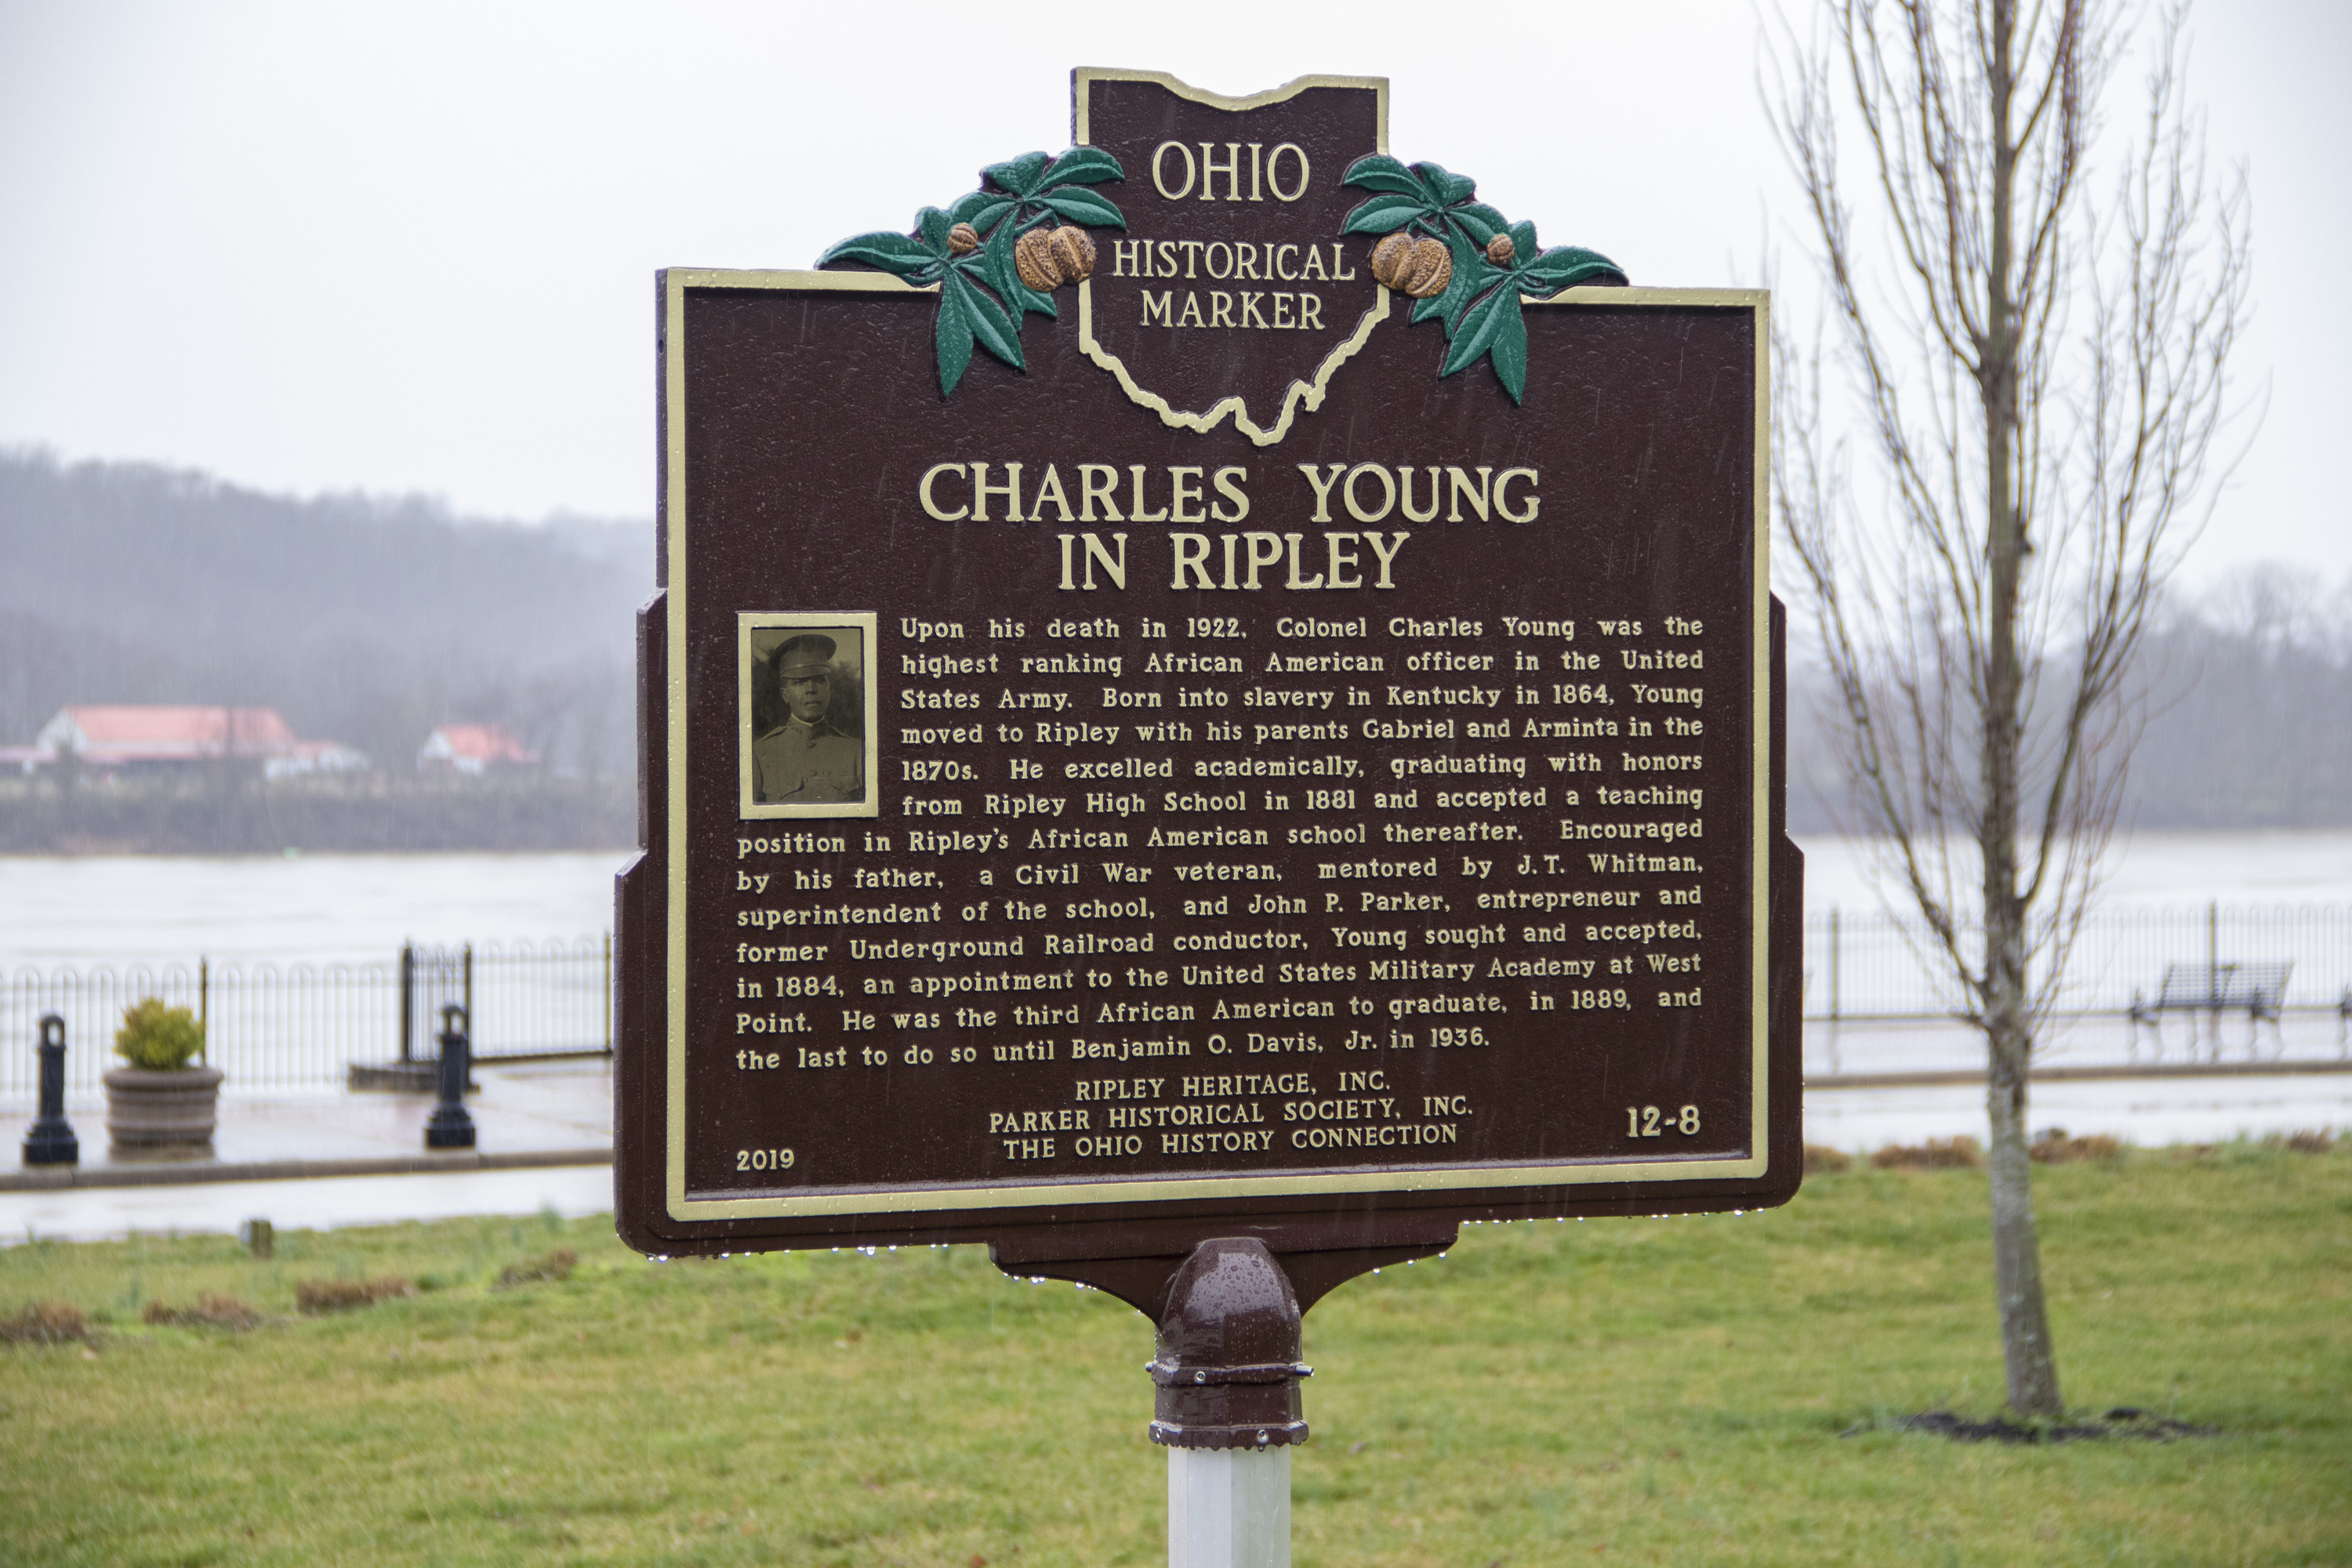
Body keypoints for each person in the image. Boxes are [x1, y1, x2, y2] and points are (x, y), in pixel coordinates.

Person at [752, 633, 862, 804]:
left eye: (819, 680)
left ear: (829, 688)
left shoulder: (857, 752)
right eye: (799, 682)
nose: (811, 689)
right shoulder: (760, 754)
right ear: (785, 694)